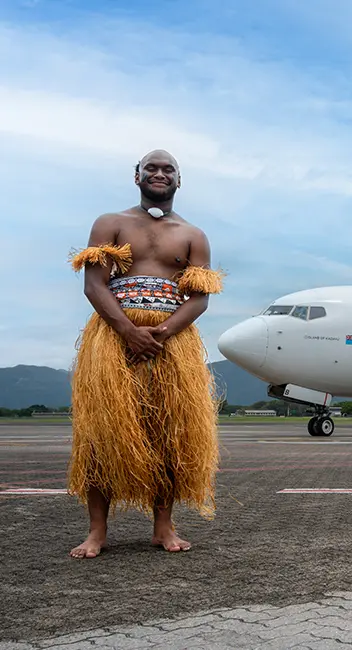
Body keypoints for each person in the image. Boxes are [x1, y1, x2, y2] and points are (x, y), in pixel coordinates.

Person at [67, 149, 224, 559]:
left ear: (178, 180)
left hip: (172, 342)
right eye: (151, 168)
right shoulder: (111, 223)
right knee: (102, 435)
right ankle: (97, 532)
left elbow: (200, 299)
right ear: (136, 176)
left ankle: (163, 526)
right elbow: (95, 285)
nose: (159, 173)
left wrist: (163, 332)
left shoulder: (193, 235)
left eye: (167, 169)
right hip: (114, 338)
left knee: (170, 433)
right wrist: (127, 330)